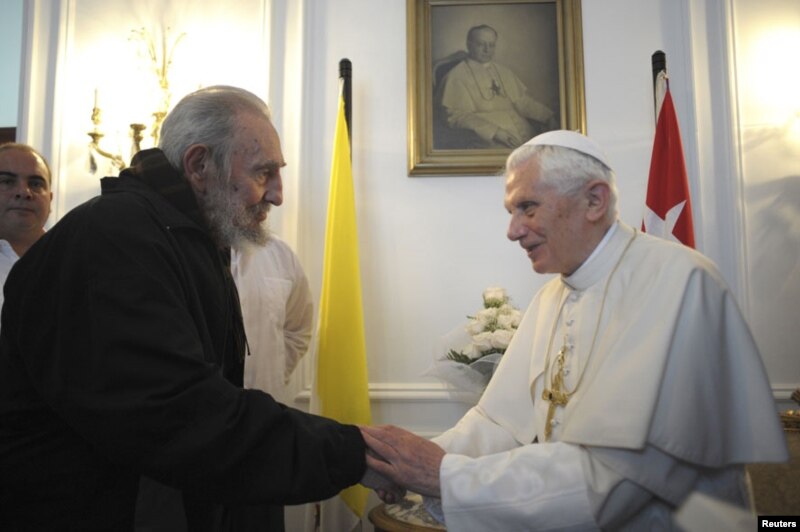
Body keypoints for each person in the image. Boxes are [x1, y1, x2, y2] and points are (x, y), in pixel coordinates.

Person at [362, 130, 788, 530]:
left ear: (594, 201)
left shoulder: (680, 284)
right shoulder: (552, 297)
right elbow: (500, 423)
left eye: (528, 207)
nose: (512, 231)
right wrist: (398, 461)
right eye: (511, 211)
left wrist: (444, 475)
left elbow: (611, 482)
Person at [0, 86, 371, 531]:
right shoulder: (114, 237)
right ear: (199, 165)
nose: (277, 194)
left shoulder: (179, 237)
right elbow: (175, 412)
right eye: (263, 173)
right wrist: (354, 451)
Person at [437, 24, 557, 149]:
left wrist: (547, 116)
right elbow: (455, 116)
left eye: (491, 45)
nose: (487, 49)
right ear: (469, 45)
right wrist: (494, 132)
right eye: (480, 44)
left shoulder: (504, 71)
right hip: (486, 139)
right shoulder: (456, 76)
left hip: (523, 132)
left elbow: (522, 102)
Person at [232, 237, 313, 406]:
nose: (266, 211)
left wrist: (275, 373)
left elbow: (298, 330)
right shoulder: (190, 252)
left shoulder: (283, 256)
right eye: (255, 207)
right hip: (207, 413)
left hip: (269, 407)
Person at [0, 143, 53, 311]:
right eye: (7, 181)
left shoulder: (77, 262)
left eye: (36, 184)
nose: (24, 192)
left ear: (50, 200)